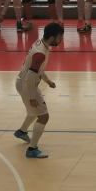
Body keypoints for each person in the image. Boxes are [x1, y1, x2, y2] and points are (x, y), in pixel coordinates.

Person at [13, 23, 64, 159]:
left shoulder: (40, 44)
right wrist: (31, 97)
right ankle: (32, 149)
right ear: (52, 38)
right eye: (59, 37)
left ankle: (22, 132)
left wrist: (47, 81)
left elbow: (37, 70)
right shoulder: (41, 52)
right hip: (27, 84)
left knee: (34, 112)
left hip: (23, 82)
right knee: (43, 116)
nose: (61, 40)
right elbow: (31, 75)